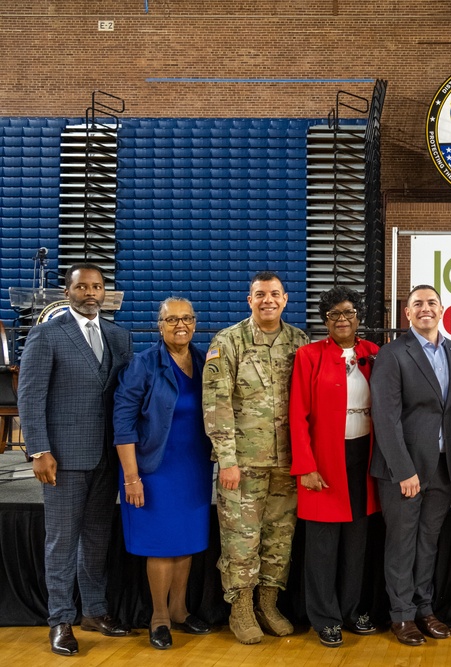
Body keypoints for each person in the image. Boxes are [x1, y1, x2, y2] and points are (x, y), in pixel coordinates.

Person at [18, 263, 134, 656]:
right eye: (81, 286)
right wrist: (39, 449)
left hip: (107, 457)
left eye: (97, 286)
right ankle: (61, 620)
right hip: (63, 458)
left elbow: (125, 398)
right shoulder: (46, 334)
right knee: (62, 543)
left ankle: (95, 611)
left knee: (97, 539)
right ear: (66, 292)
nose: (90, 293)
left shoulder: (120, 337)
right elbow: (30, 396)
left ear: (105, 293)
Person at [202, 271, 310, 644]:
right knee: (241, 540)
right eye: (260, 294)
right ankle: (241, 608)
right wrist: (226, 459)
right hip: (243, 463)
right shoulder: (228, 341)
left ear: (285, 299)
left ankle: (268, 603)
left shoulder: (299, 341)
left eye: (275, 294)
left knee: (279, 537)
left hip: (287, 462)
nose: (268, 300)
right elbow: (216, 404)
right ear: (250, 300)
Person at [113, 297, 214, 649]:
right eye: (172, 320)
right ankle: (158, 617)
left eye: (186, 318)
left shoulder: (204, 361)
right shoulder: (142, 364)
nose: (180, 325)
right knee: (161, 546)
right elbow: (123, 425)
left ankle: (180, 610)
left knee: (186, 542)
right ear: (160, 326)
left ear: (195, 322)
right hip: (154, 469)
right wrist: (131, 478)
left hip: (194, 467)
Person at [370, 284, 451, 646]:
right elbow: (385, 417)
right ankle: (402, 616)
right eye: (417, 304)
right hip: (403, 471)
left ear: (442, 310)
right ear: (406, 314)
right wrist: (403, 469)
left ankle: (425, 609)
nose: (426, 309)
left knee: (428, 543)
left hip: (441, 466)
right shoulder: (392, 354)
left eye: (432, 303)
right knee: (402, 544)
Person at [289, 287, 381, 648]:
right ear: (324, 320)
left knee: (357, 543)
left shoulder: (374, 354)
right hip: (324, 461)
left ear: (359, 317)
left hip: (364, 458)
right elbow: (297, 415)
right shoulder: (308, 356)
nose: (342, 319)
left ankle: (352, 609)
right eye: (333, 315)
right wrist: (306, 466)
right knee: (323, 547)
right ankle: (325, 618)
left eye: (348, 312)